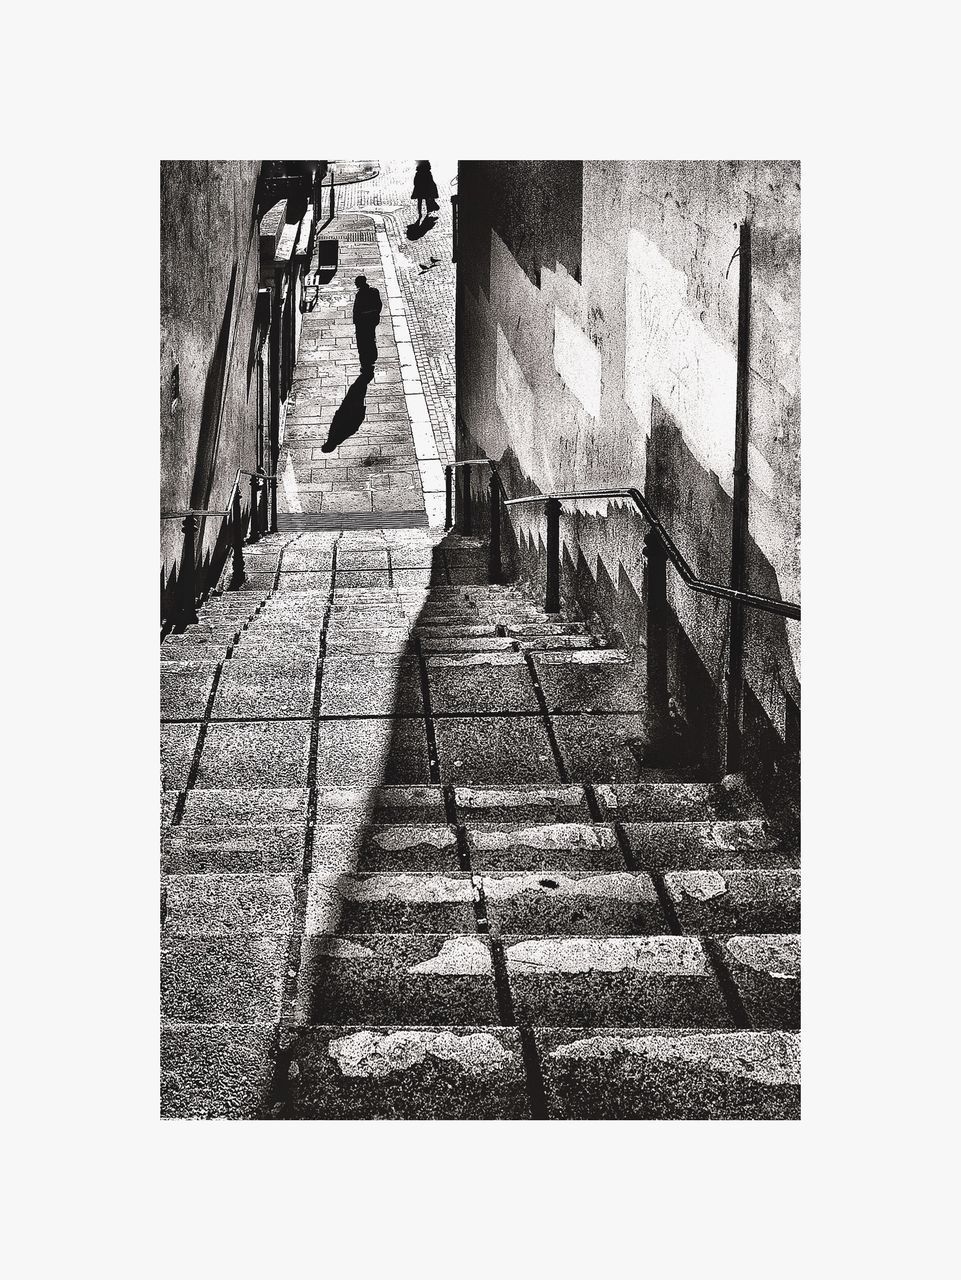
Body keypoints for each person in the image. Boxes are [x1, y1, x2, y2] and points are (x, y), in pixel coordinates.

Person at [352, 274, 382, 374]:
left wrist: (356, 321)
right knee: (371, 338)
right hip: (372, 320)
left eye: (356, 282)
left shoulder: (360, 295)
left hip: (362, 322)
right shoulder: (374, 291)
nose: (355, 284)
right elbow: (379, 305)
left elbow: (357, 310)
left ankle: (366, 361)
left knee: (363, 342)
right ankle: (372, 358)